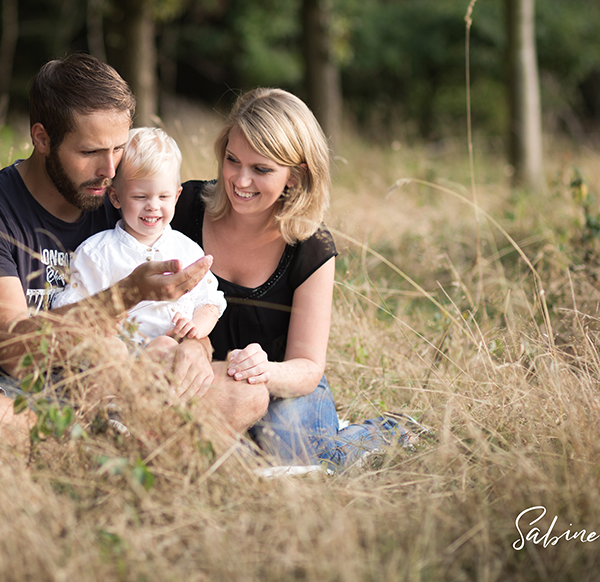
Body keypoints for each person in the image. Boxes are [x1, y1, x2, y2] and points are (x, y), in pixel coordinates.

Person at [0, 54, 267, 437]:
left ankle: (90, 439)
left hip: (112, 387)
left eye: (118, 149)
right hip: (3, 390)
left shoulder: (122, 200)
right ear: (42, 138)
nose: (110, 170)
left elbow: (194, 298)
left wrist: (194, 347)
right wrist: (127, 294)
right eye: (90, 152)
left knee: (246, 394)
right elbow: (17, 355)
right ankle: (99, 440)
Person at [171, 88, 420, 469]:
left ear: (295, 174)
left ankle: (388, 430)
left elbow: (306, 366)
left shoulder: (311, 246)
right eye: (232, 160)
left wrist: (262, 371)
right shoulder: (182, 207)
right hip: (205, 378)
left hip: (278, 382)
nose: (240, 179)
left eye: (261, 169)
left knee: (293, 451)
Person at [53, 127, 226, 359]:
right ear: (115, 197)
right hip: (115, 361)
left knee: (166, 346)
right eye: (140, 197)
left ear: (176, 196)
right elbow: (73, 311)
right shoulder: (98, 253)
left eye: (163, 197)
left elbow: (209, 303)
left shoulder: (187, 250)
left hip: (166, 359)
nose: (153, 206)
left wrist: (195, 327)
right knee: (111, 350)